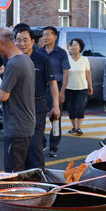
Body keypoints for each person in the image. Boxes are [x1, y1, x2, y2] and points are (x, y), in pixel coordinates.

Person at [0, 27, 35, 172]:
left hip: (16, 126)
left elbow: (3, 96)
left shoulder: (13, 64)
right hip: (27, 124)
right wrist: (0, 89)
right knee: (25, 172)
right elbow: (16, 88)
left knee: (13, 173)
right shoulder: (25, 59)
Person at [14, 25, 59, 168]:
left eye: (25, 40)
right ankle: (25, 178)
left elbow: (52, 83)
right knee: (21, 146)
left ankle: (39, 176)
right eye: (18, 40)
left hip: (37, 106)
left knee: (35, 144)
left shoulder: (42, 59)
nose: (22, 44)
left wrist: (56, 106)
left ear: (33, 41)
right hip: (18, 108)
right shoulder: (11, 59)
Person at [37, 26, 70, 158]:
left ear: (55, 37)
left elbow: (66, 73)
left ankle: (54, 146)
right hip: (41, 87)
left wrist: (62, 92)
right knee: (39, 117)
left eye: (48, 35)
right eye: (43, 35)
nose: (45, 37)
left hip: (56, 87)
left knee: (55, 118)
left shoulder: (61, 53)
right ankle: (42, 142)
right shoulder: (39, 52)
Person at [65, 38, 93, 135]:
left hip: (82, 88)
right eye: (72, 45)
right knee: (70, 108)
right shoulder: (67, 59)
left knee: (80, 107)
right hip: (69, 88)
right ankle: (74, 127)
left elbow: (88, 74)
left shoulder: (85, 59)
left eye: (76, 45)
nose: (74, 47)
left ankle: (79, 128)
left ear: (80, 47)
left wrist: (90, 86)